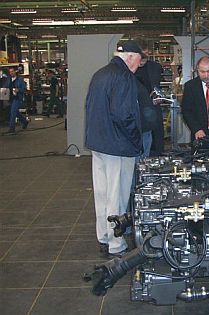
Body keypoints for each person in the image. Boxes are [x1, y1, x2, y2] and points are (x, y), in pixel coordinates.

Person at [85, 40, 145, 258]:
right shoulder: (123, 76)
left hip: (99, 145)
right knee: (116, 196)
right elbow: (123, 115)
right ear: (130, 57)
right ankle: (116, 244)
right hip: (118, 146)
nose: (139, 66)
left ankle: (103, 236)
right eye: (139, 61)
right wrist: (136, 141)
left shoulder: (100, 74)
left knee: (101, 194)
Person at [134, 42, 164, 156]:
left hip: (153, 112)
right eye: (142, 54)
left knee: (155, 147)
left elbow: (156, 86)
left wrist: (158, 96)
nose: (144, 57)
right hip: (136, 114)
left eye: (146, 54)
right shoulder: (128, 70)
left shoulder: (155, 67)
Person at [6, 67, 28, 134]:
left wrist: (18, 90)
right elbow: (7, 87)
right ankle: (24, 121)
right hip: (10, 98)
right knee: (15, 112)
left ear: (15, 71)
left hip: (17, 98)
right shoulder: (9, 79)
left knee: (13, 112)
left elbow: (24, 89)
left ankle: (12, 128)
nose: (11, 73)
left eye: (12, 71)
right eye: (10, 72)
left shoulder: (20, 79)